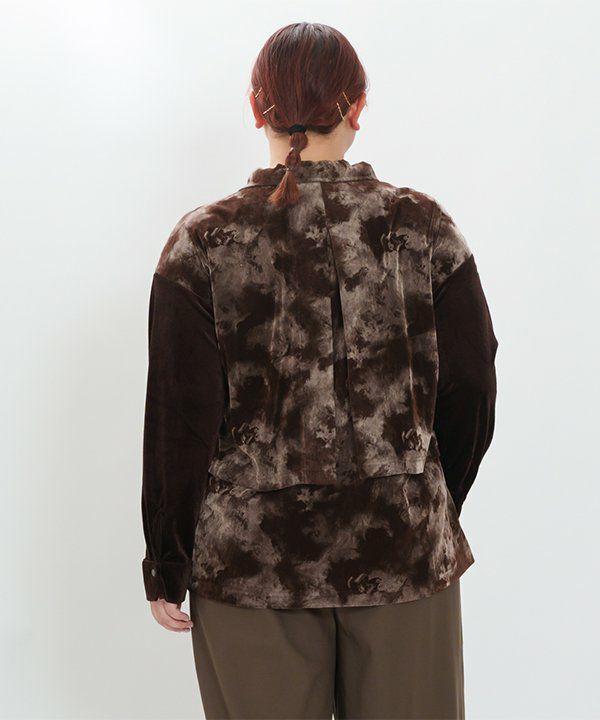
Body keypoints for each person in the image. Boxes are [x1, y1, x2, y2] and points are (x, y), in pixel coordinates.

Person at [140, 21, 498, 720]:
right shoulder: (424, 227)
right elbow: (473, 387)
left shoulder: (201, 243)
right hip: (402, 553)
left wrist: (166, 560)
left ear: (256, 109)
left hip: (251, 568)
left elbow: (179, 417)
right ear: (357, 107)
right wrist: (426, 500)